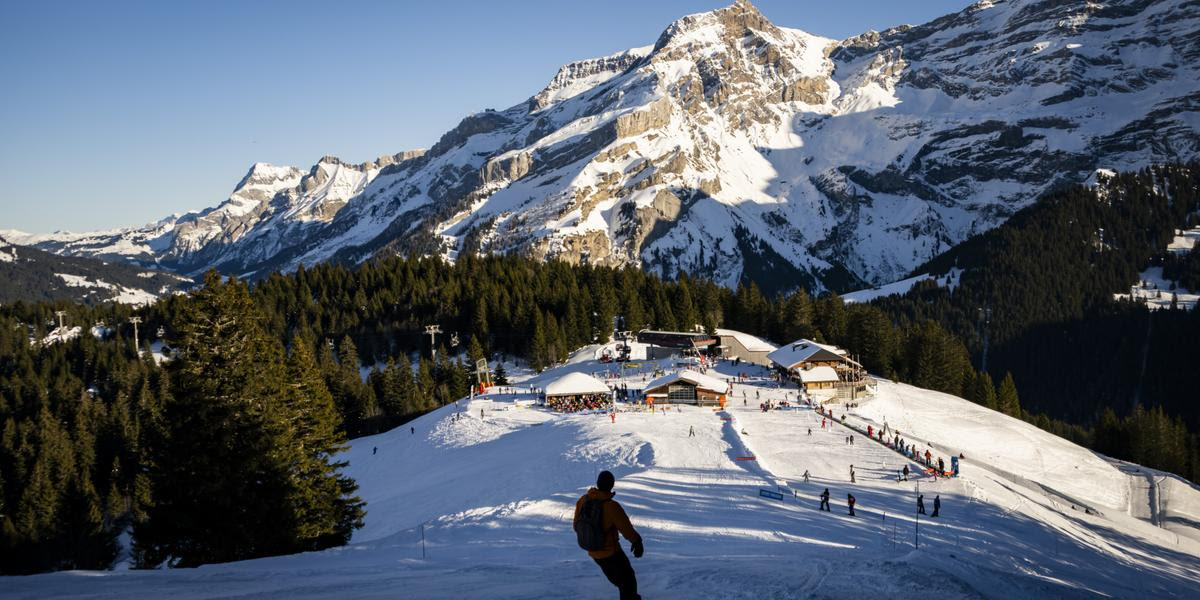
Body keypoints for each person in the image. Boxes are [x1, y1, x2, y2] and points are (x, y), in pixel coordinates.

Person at [574, 471, 644, 600]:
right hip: (610, 552)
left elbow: (576, 525)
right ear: (612, 485)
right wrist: (637, 541)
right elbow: (626, 529)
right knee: (627, 580)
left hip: (593, 551)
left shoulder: (583, 500)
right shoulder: (611, 506)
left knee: (621, 580)